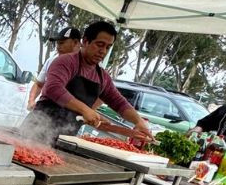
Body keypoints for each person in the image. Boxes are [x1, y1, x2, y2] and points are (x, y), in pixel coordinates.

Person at [21, 21, 153, 145]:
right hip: (36, 130)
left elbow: (119, 102)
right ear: (85, 41)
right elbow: (53, 88)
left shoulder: (103, 77)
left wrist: (139, 121)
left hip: (66, 137)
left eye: (108, 47)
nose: (103, 51)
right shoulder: (65, 61)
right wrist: (85, 109)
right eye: (100, 45)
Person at [27, 27, 81, 110]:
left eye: (62, 43)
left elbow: (100, 95)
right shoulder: (51, 60)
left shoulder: (88, 66)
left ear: (76, 43)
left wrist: (85, 111)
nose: (58, 47)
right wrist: (31, 101)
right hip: (43, 109)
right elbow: (38, 84)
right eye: (57, 43)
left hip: (69, 115)